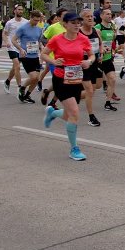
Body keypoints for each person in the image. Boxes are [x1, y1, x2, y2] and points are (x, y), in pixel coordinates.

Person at [41, 11, 93, 161]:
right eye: (73, 23)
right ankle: (74, 149)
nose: (77, 25)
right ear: (65, 24)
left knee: (69, 115)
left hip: (76, 79)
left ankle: (52, 113)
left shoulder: (83, 39)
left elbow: (91, 55)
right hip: (60, 79)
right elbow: (43, 54)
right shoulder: (57, 39)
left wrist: (88, 61)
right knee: (75, 113)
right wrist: (53, 61)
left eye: (79, 23)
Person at [11, 10, 45, 105]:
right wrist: (20, 49)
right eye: (34, 20)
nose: (36, 22)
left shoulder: (39, 29)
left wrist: (41, 47)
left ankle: (27, 95)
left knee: (37, 78)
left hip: (35, 56)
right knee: (33, 77)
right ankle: (22, 87)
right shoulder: (23, 28)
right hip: (25, 56)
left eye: (38, 20)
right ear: (30, 17)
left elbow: (39, 41)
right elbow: (13, 40)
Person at [78, 9, 103, 126]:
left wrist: (101, 53)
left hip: (94, 62)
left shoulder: (96, 31)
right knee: (89, 90)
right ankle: (91, 117)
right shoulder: (78, 33)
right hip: (83, 64)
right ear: (81, 20)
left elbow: (100, 43)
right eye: (87, 16)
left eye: (91, 16)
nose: (90, 18)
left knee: (95, 87)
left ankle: (71, 96)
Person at [94, 9, 120, 111]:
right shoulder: (97, 28)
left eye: (110, 14)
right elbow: (94, 44)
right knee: (97, 86)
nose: (110, 16)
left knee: (112, 79)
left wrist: (113, 50)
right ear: (101, 16)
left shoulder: (112, 28)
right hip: (98, 60)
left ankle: (108, 103)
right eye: (107, 14)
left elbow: (111, 42)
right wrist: (101, 50)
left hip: (108, 58)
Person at [2, 5, 27, 94]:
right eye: (19, 9)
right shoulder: (9, 23)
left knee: (15, 67)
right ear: (15, 11)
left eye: (22, 10)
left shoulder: (26, 22)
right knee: (17, 66)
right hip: (12, 46)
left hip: (21, 47)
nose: (20, 11)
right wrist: (6, 42)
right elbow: (4, 34)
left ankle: (7, 81)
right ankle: (20, 87)